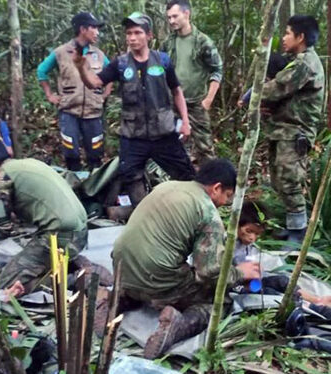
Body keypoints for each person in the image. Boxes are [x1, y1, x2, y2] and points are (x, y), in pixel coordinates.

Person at [112, 159, 261, 359]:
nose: (225, 203)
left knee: (155, 270)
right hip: (157, 277)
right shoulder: (208, 213)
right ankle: (178, 326)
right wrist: (240, 272)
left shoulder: (166, 186)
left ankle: (119, 299)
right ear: (216, 188)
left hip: (121, 267)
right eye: (227, 195)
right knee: (219, 302)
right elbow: (208, 273)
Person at [74, 11, 195, 206]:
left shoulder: (162, 60)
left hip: (163, 132)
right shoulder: (120, 64)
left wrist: (185, 122)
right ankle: (144, 211)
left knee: (186, 174)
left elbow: (177, 91)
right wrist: (80, 67)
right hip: (133, 135)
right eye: (129, 33)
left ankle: (189, 211)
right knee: (129, 174)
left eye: (137, 32)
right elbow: (94, 83)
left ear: (149, 36)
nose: (132, 38)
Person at [0, 136, 89, 296]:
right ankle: (67, 265)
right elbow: (28, 207)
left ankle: (73, 279)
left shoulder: (1, 178)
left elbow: (2, 231)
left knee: (4, 286)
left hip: (59, 237)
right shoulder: (27, 164)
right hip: (80, 232)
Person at [261, 15, 324, 249]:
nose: (284, 38)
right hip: (283, 129)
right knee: (279, 179)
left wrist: (252, 94)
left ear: (301, 37)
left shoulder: (305, 64)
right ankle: (292, 225)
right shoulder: (295, 60)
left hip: (295, 131)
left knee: (290, 181)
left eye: (288, 33)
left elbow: (276, 88)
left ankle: (299, 233)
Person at [38, 12, 112, 171]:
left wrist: (105, 94)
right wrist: (50, 95)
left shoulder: (98, 54)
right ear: (83, 29)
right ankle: (74, 183)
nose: (97, 32)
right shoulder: (61, 52)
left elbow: (111, 74)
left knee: (95, 152)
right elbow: (41, 71)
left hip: (93, 112)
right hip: (69, 111)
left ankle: (95, 186)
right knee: (70, 151)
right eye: (94, 28)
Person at [234, 201, 331, 306]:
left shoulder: (245, 246)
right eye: (249, 231)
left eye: (257, 234)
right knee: (271, 294)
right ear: (237, 224)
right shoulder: (226, 245)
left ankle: (316, 301)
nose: (252, 238)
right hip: (235, 286)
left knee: (282, 281)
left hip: (251, 283)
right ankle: (310, 306)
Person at [163, 0, 222, 164]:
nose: (171, 21)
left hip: (196, 103)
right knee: (174, 146)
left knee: (205, 147)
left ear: (186, 14)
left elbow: (217, 70)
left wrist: (208, 100)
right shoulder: (168, 42)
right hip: (173, 104)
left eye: (175, 16)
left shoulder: (203, 42)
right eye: (169, 17)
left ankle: (212, 184)